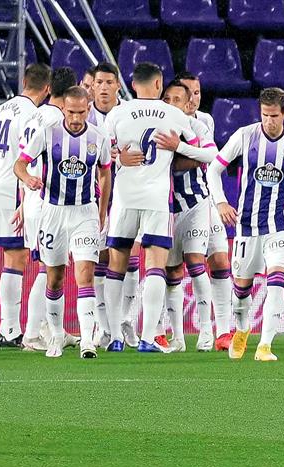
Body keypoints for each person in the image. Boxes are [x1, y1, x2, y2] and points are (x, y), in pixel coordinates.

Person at [206, 87, 284, 361]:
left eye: (274, 115)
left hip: (280, 225)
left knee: (276, 280)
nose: (269, 121)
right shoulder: (245, 136)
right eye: (264, 115)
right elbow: (214, 169)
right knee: (241, 291)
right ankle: (243, 328)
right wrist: (221, 202)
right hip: (247, 227)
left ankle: (265, 345)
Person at [100, 62, 207, 353]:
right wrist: (178, 147)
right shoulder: (174, 114)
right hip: (158, 200)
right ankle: (148, 338)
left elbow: (102, 155)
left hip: (124, 198)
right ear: (159, 84)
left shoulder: (116, 114)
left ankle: (116, 338)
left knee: (116, 267)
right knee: (155, 267)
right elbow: (203, 154)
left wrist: (120, 159)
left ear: (133, 85)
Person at [13, 86, 112, 358]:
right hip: (53, 213)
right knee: (55, 279)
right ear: (63, 109)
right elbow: (19, 164)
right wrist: (28, 178)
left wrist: (102, 210)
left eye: (81, 112)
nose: (76, 118)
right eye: (71, 112)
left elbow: (105, 173)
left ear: (88, 109)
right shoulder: (48, 134)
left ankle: (88, 341)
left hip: (84, 213)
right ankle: (56, 335)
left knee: (85, 276)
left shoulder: (99, 138)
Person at [0, 63, 51, 348]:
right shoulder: (34, 115)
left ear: (23, 81)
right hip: (14, 192)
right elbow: (27, 161)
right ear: (47, 89)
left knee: (11, 258)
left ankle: (9, 327)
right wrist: (23, 200)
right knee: (16, 258)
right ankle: (9, 330)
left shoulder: (1, 110)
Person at [17, 66, 78, 351]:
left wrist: (21, 202)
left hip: (32, 199)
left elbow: (22, 161)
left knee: (51, 267)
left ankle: (51, 329)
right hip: (46, 202)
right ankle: (32, 334)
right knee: (49, 270)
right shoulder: (57, 122)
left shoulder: (36, 114)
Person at [159, 79, 218, 352]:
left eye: (177, 100)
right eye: (167, 99)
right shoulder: (155, 126)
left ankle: (207, 332)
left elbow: (211, 155)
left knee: (195, 262)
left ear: (187, 104)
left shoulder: (196, 126)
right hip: (166, 209)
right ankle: (178, 337)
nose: (172, 104)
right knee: (171, 271)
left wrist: (177, 148)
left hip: (196, 204)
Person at [178, 71, 233, 351]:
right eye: (188, 92)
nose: (193, 98)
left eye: (197, 92)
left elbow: (213, 161)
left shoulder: (206, 121)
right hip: (180, 202)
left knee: (221, 261)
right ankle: (193, 330)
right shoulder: (171, 121)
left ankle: (224, 330)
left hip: (207, 198)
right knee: (181, 265)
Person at [85, 62, 124, 349]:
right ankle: (103, 327)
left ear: (117, 85)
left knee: (127, 260)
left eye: (109, 82)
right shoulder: (82, 117)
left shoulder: (129, 115)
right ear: (93, 85)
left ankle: (124, 324)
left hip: (125, 197)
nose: (104, 87)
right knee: (97, 260)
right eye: (99, 82)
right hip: (90, 201)